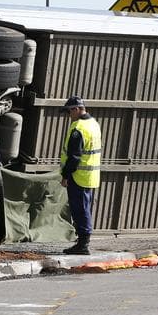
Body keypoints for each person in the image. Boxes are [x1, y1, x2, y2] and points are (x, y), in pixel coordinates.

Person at [59, 95, 102, 255]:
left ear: (76, 109)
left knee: (80, 209)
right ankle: (82, 241)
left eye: (69, 112)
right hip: (90, 175)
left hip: (78, 176)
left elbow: (74, 156)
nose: (68, 116)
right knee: (84, 208)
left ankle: (83, 243)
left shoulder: (79, 128)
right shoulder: (93, 124)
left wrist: (65, 175)